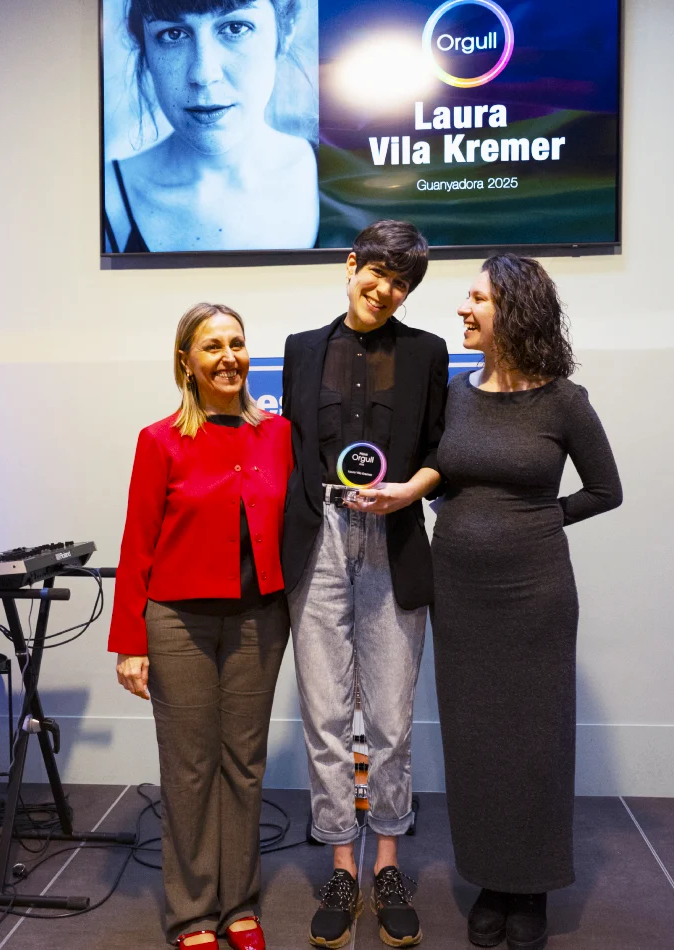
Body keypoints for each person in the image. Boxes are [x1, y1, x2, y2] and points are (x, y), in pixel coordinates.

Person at [430, 255, 623, 950]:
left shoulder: (564, 401)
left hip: (535, 594)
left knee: (535, 741)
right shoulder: (452, 394)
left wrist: (539, 520)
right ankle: (490, 880)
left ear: (513, 310)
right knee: (474, 740)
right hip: (458, 592)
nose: (463, 308)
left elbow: (606, 490)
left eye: (476, 298)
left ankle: (530, 885)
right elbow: (432, 474)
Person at [282, 220, 448, 948]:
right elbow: (289, 449)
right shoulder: (301, 348)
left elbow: (441, 447)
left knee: (389, 720)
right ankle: (341, 867)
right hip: (318, 537)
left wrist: (410, 490)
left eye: (401, 284)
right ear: (352, 265)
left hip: (393, 536)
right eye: (377, 273)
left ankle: (386, 865)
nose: (385, 290)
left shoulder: (428, 353)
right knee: (324, 717)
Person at [108, 303, 293, 950]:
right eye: (212, 346)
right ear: (186, 361)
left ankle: (239, 906)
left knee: (244, 764)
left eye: (237, 343)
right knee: (190, 769)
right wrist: (129, 643)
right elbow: (137, 544)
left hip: (259, 620)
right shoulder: (159, 440)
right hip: (178, 622)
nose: (228, 357)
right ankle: (192, 914)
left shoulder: (279, 435)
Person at [103, 0, 317, 252]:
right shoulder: (102, 199)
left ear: (286, 30)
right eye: (173, 34)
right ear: (144, 46)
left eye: (236, 28)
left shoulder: (342, 179)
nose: (203, 74)